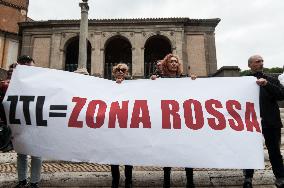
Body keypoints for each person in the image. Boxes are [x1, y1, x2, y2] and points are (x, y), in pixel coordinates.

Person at [152, 53, 196, 188]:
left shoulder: (185, 78)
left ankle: (190, 181)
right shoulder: (160, 79)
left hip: (182, 120)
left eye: (175, 62)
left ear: (178, 64)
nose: (173, 63)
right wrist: (151, 82)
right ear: (166, 64)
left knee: (187, 150)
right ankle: (166, 180)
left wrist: (194, 81)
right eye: (171, 61)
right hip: (166, 120)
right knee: (167, 150)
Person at [243, 55, 284, 188]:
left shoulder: (272, 80)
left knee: (274, 152)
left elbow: (281, 95)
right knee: (249, 150)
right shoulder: (243, 82)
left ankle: (280, 177)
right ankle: (248, 178)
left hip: (271, 121)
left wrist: (267, 85)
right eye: (257, 61)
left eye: (262, 61)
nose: (261, 63)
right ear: (250, 65)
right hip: (250, 122)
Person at [12, 55, 42, 188]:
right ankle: (22, 180)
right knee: (21, 152)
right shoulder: (13, 80)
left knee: (36, 153)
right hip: (20, 121)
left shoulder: (41, 80)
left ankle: (34, 182)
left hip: (37, 121)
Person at [111, 63, 133, 188]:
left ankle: (128, 181)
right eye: (118, 70)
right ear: (114, 73)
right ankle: (115, 180)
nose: (120, 72)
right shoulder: (107, 86)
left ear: (126, 73)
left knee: (128, 153)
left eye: (123, 70)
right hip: (113, 125)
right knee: (113, 154)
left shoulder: (132, 86)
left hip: (128, 124)